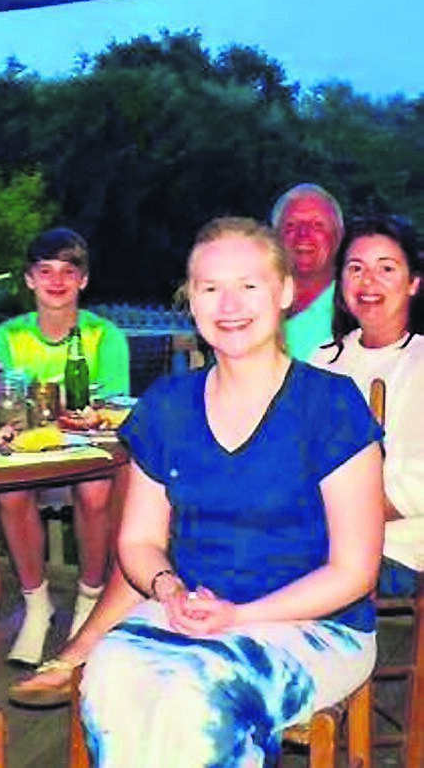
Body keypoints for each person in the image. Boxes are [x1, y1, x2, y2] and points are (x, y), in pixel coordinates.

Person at [80, 217, 383, 767]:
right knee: (111, 674)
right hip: (192, 611)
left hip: (316, 625)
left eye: (249, 285)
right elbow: (140, 541)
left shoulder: (331, 405)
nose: (229, 304)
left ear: (285, 292)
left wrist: (240, 618)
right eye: (209, 288)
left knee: (199, 699)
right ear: (191, 303)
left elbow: (354, 571)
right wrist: (168, 590)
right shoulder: (167, 405)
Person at [0, 228, 129, 665]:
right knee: (10, 493)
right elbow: (5, 404)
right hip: (32, 454)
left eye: (68, 272)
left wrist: (49, 404)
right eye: (45, 271)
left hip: (84, 455)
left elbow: (110, 410)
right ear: (29, 279)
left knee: (96, 490)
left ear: (83, 280)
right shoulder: (8, 336)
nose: (56, 281)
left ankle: (90, 602)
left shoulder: (106, 336)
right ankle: (36, 606)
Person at [312, 214, 424, 590]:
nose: (368, 281)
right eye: (356, 268)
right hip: (318, 536)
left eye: (386, 268)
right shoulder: (322, 361)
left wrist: (339, 514)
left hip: (396, 551)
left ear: (413, 283)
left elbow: (417, 484)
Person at [271, 183, 344, 360]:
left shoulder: (353, 311)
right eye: (291, 226)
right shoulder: (254, 306)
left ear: (339, 236)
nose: (303, 234)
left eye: (317, 225)